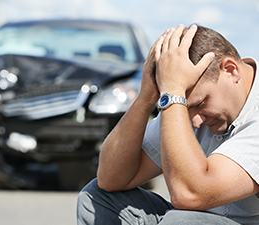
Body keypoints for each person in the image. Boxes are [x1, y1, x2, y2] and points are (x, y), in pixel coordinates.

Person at [76, 24, 259, 224]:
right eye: (185, 107)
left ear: (231, 70)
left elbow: (189, 195)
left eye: (200, 103)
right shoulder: (182, 102)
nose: (195, 122)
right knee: (97, 198)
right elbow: (110, 179)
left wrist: (174, 93)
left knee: (180, 221)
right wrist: (145, 99)